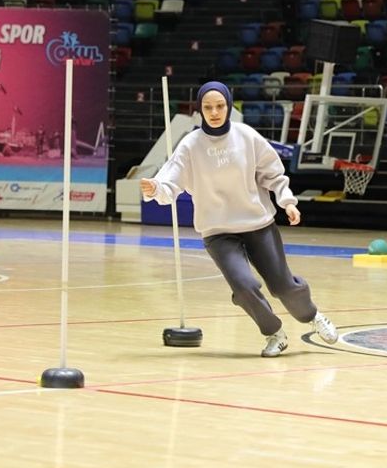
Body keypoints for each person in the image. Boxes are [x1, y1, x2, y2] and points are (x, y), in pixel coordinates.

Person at [139, 81, 338, 357]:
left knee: (282, 286)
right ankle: (274, 333)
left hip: (258, 224)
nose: (214, 112)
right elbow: (169, 182)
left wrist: (287, 201)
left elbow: (273, 174)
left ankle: (312, 315)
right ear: (200, 109)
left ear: (229, 106)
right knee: (244, 287)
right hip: (218, 232)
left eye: (220, 106)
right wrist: (155, 189)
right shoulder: (190, 145)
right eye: (208, 107)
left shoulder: (246, 136)